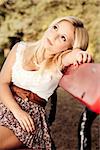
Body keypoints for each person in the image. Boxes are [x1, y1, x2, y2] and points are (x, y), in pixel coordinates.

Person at [0, 16, 92, 149]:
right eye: (55, 28)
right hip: (7, 104)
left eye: (63, 38)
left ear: (69, 48)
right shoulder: (20, 48)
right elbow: (2, 83)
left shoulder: (59, 62)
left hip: (29, 117)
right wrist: (17, 111)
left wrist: (78, 53)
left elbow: (72, 56)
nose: (54, 36)